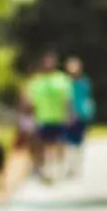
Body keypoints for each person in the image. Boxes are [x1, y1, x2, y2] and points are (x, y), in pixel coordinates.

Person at [23, 52, 75, 182]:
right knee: (45, 146)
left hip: (59, 117)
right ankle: (48, 170)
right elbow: (30, 100)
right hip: (42, 118)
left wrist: (69, 114)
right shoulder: (37, 81)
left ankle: (59, 167)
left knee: (59, 144)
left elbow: (68, 99)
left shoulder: (62, 79)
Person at [63, 56, 96, 178]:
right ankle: (70, 167)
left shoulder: (84, 82)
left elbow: (87, 99)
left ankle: (77, 167)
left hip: (82, 115)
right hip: (69, 116)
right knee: (68, 143)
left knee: (79, 142)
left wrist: (88, 114)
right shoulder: (65, 82)